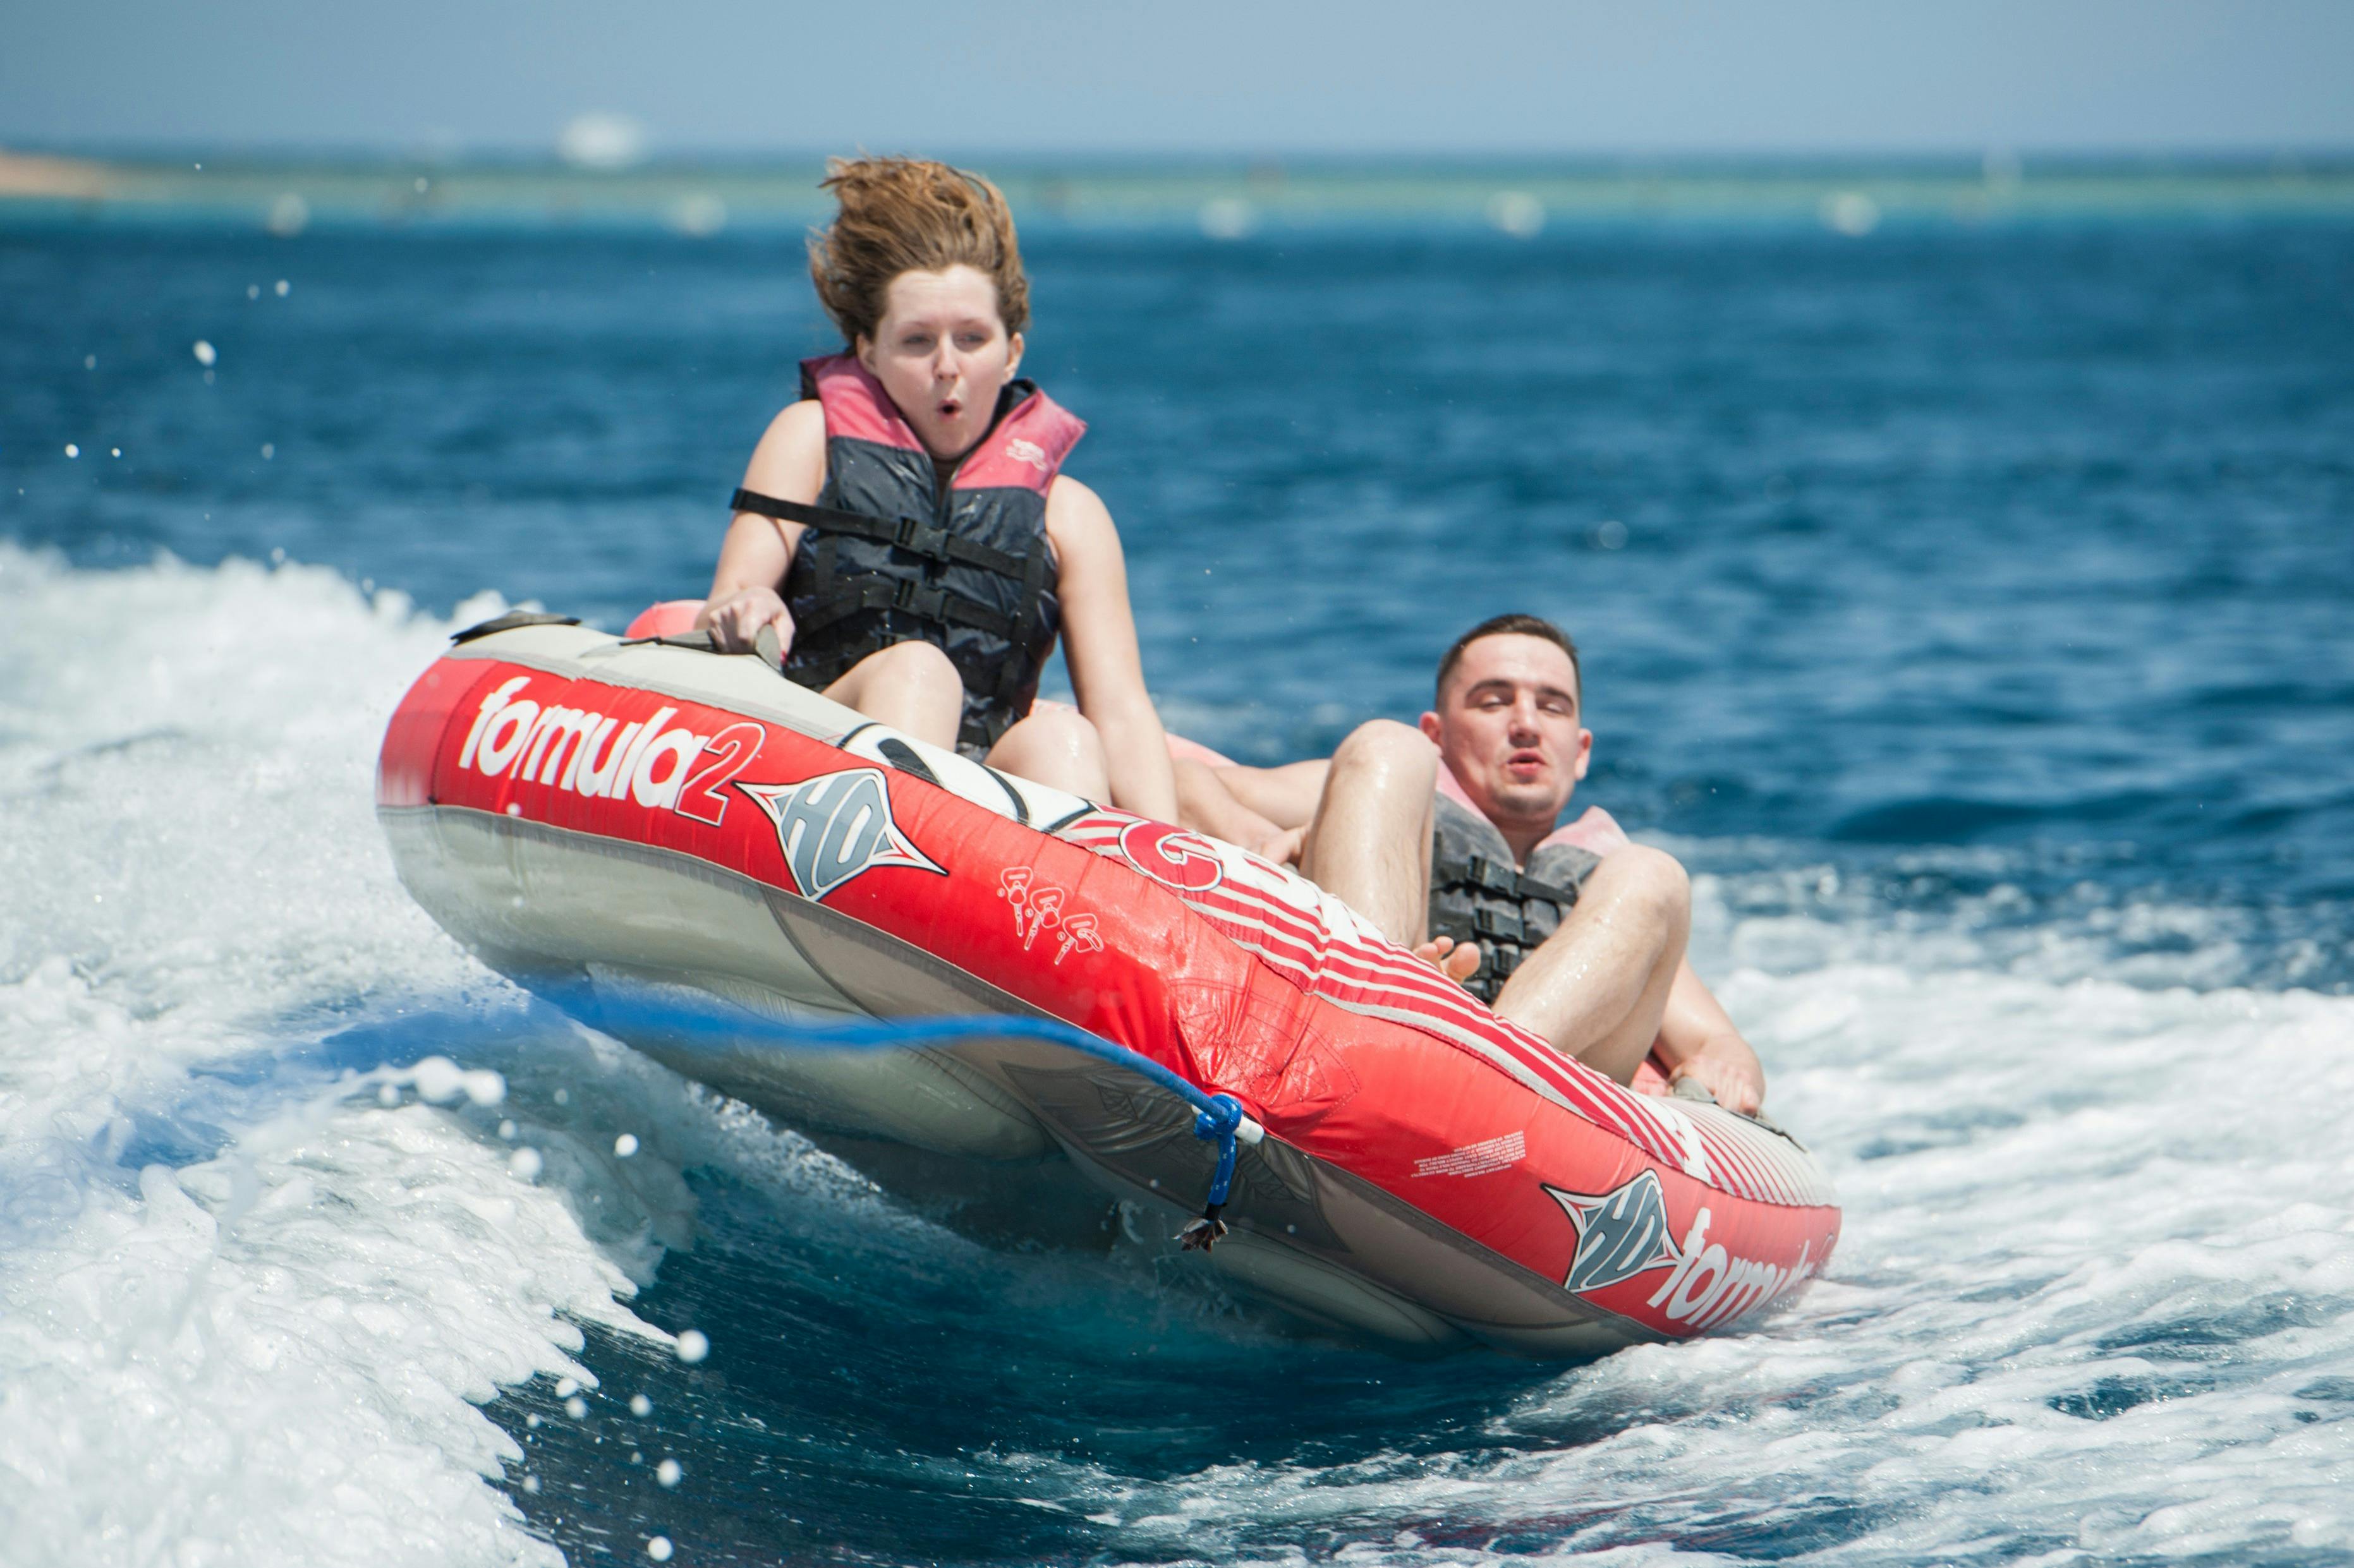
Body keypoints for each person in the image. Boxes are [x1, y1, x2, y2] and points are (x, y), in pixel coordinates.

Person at [697, 157, 1175, 821]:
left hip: (975, 793)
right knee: (915, 671)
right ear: (867, 352)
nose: (947, 367)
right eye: (917, 341)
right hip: (814, 754)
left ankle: (1034, 913)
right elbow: (727, 601)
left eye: (972, 339)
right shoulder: (808, 439)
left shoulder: (1071, 516)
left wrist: (1169, 850)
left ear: (1011, 352)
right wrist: (744, 604)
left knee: (1063, 739)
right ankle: (878, 873)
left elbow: (1121, 711)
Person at [1176, 614, 1766, 1115]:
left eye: (1552, 707)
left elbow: (1718, 1042)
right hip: (1378, 1027)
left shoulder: (1610, 876)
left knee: (1654, 869)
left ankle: (1489, 1065)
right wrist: (1267, 837)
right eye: (1493, 701)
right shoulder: (1390, 787)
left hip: (1552, 1098)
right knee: (1384, 743)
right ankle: (1369, 1017)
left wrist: (1721, 1071)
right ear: (1439, 732)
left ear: (1580, 751)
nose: (1526, 723)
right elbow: (1184, 780)